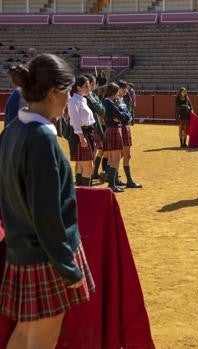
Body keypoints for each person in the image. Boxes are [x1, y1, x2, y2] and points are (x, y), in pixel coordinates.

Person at [0, 53, 95, 349]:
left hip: (22, 249)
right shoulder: (41, 137)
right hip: (47, 255)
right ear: (54, 92)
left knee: (26, 330)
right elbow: (47, 213)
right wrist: (67, 266)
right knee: (41, 339)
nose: (69, 98)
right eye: (67, 91)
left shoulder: (13, 129)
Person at [102, 83, 131, 193]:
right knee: (115, 158)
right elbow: (123, 117)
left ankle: (112, 183)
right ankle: (112, 184)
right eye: (118, 91)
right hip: (114, 129)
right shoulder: (110, 103)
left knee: (114, 158)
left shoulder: (106, 102)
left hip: (110, 129)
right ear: (115, 92)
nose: (119, 93)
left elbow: (121, 117)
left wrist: (121, 116)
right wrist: (123, 116)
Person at [67, 75, 96, 187]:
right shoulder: (74, 100)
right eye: (86, 86)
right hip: (81, 134)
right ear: (78, 87)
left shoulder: (82, 99)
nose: (89, 88)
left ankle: (80, 194)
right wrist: (81, 137)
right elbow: (75, 120)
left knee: (81, 165)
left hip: (87, 133)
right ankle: (85, 193)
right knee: (88, 166)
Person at [116, 81, 142, 189]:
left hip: (125, 127)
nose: (126, 91)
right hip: (120, 128)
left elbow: (127, 114)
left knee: (125, 155)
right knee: (119, 155)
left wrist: (128, 117)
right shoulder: (116, 100)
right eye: (125, 89)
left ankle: (118, 178)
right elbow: (122, 115)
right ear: (119, 89)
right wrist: (127, 116)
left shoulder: (121, 100)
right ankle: (121, 179)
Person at [84, 74, 107, 181]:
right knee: (92, 152)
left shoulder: (93, 94)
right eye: (93, 83)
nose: (95, 86)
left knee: (96, 149)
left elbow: (101, 110)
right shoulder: (82, 96)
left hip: (95, 125)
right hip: (87, 127)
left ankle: (92, 173)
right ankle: (90, 174)